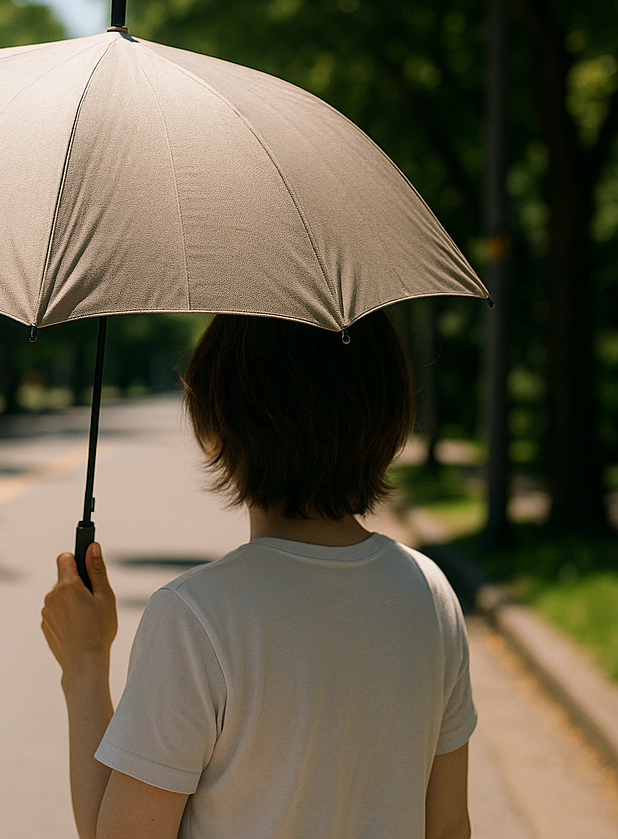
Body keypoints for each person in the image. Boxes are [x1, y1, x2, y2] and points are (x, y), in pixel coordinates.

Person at [41, 311, 475, 839]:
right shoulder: (429, 594)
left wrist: (85, 664)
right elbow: (449, 827)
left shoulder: (196, 617)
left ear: (217, 424)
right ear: (387, 413)